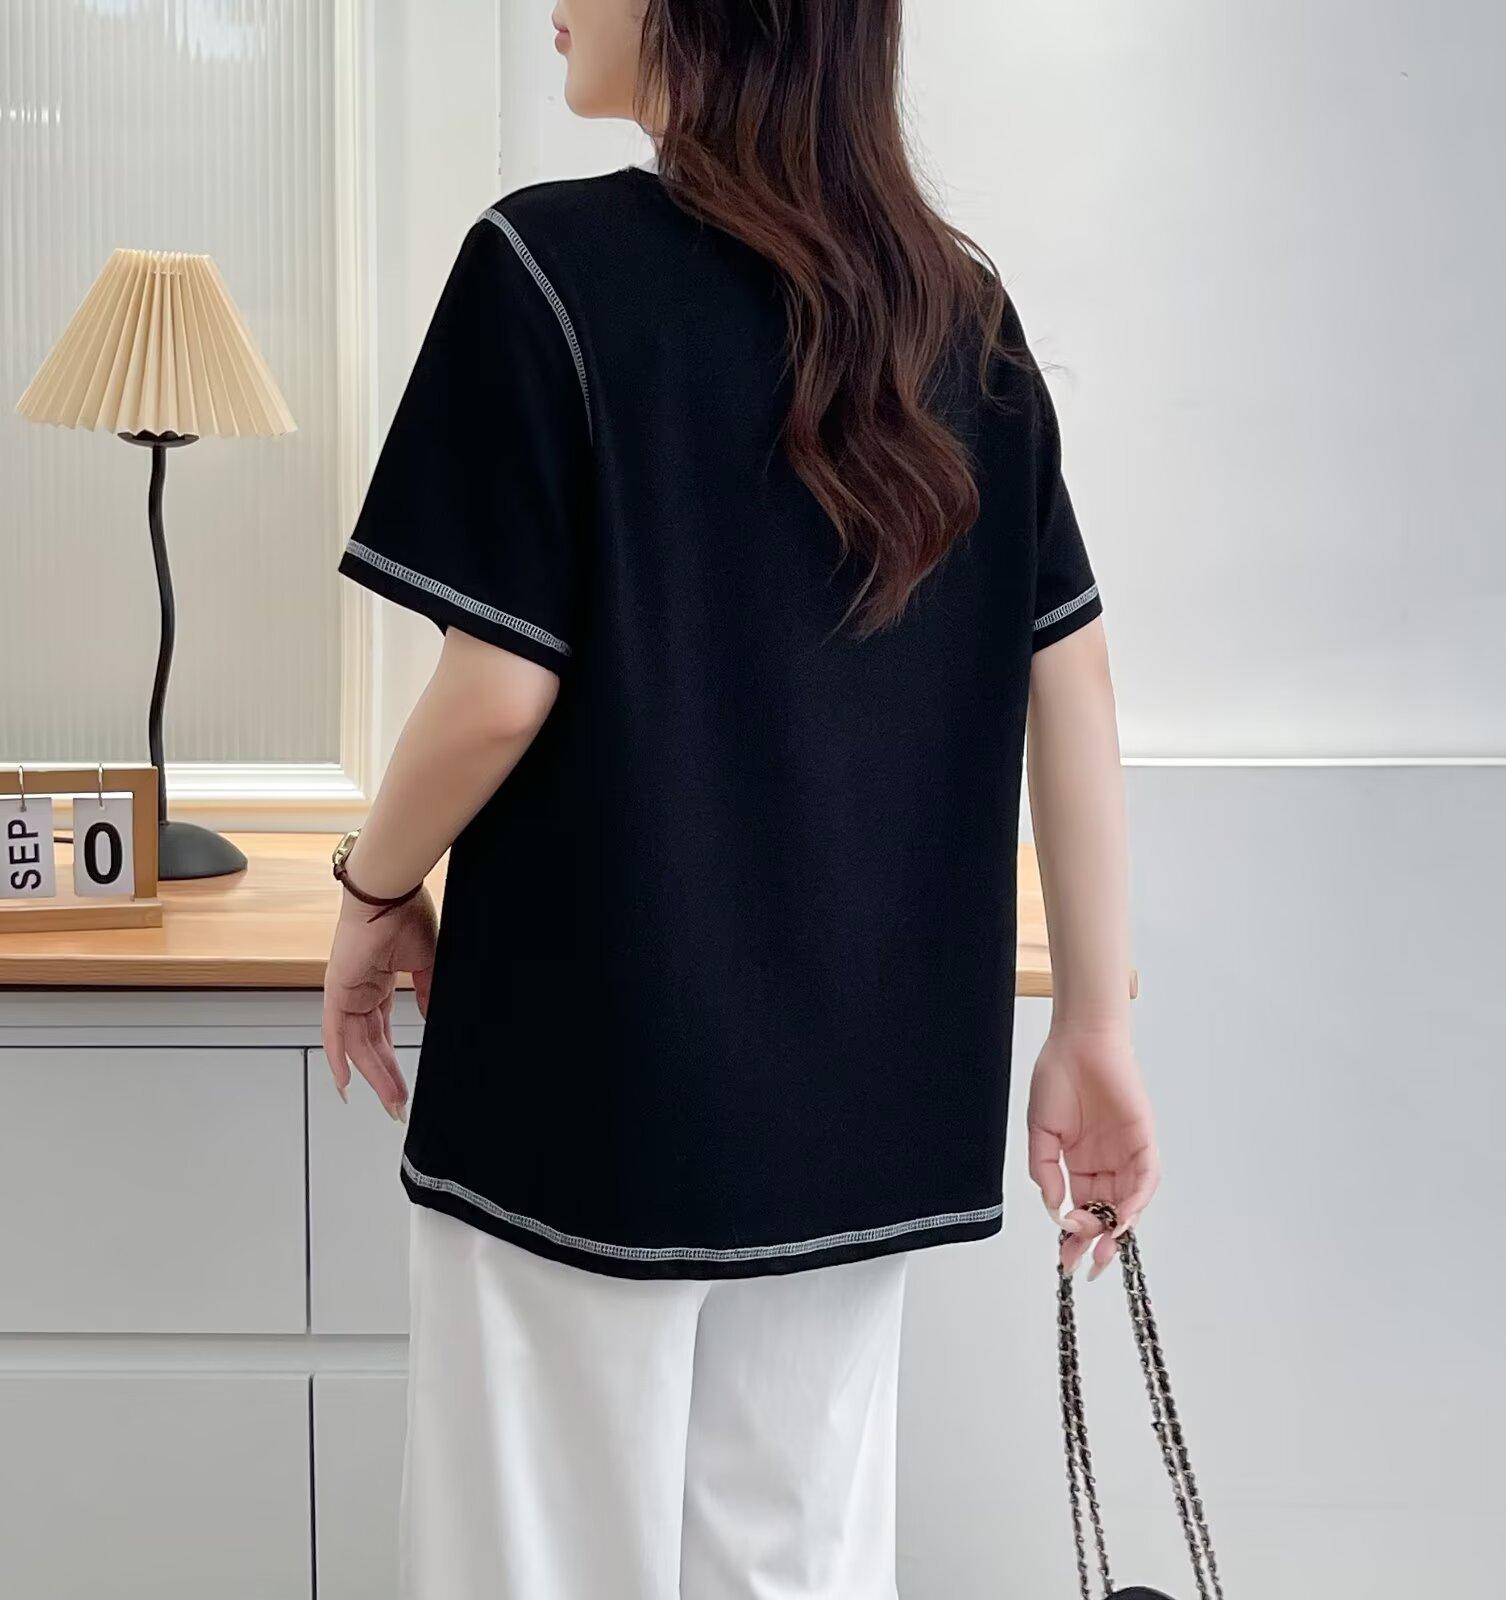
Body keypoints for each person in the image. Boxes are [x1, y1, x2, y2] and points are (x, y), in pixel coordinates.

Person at [322, 1, 1159, 1594]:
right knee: (797, 1564)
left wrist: (371, 890)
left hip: (582, 1099)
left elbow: (496, 691)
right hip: (858, 1112)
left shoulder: (544, 270)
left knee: (536, 1563)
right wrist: (1094, 1030)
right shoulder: (953, 309)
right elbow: (1074, 680)